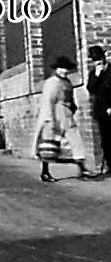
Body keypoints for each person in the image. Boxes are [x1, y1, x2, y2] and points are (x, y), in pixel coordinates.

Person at [35, 55, 97, 183]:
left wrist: (73, 107)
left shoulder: (67, 82)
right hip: (55, 115)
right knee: (49, 145)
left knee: (76, 141)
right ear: (56, 69)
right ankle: (45, 172)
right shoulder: (52, 82)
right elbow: (48, 101)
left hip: (66, 115)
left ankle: (82, 169)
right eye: (61, 68)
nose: (64, 71)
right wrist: (49, 119)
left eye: (66, 69)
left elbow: (70, 98)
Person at [86, 45, 111, 174]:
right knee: (106, 139)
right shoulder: (93, 74)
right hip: (101, 111)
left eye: (99, 60)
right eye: (95, 61)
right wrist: (96, 75)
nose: (98, 63)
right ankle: (110, 165)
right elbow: (91, 89)